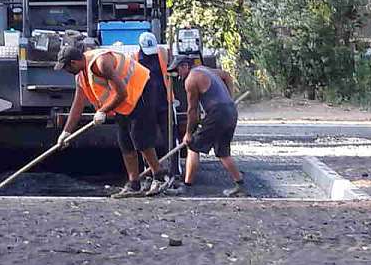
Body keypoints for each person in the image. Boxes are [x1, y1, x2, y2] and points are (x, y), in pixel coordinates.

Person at [54, 44, 167, 198]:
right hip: (123, 102)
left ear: (73, 63)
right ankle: (134, 184)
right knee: (125, 142)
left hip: (141, 91)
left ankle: (159, 176)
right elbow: (78, 104)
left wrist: (102, 110)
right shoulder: (80, 76)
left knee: (140, 138)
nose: (66, 72)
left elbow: (122, 92)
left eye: (65, 68)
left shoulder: (101, 63)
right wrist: (66, 132)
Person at [168, 56, 245, 197]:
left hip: (218, 113)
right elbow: (226, 75)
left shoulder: (191, 79)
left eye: (177, 70)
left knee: (193, 146)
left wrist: (189, 133)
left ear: (185, 66)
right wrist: (230, 99)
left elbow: (192, 110)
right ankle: (240, 185)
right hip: (230, 111)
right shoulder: (205, 70)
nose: (178, 75)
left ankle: (187, 186)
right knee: (223, 152)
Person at [136, 32, 176, 182]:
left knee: (170, 139)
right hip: (146, 105)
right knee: (146, 140)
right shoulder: (135, 58)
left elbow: (171, 70)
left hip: (164, 102)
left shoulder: (162, 53)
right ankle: (150, 172)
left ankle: (174, 172)